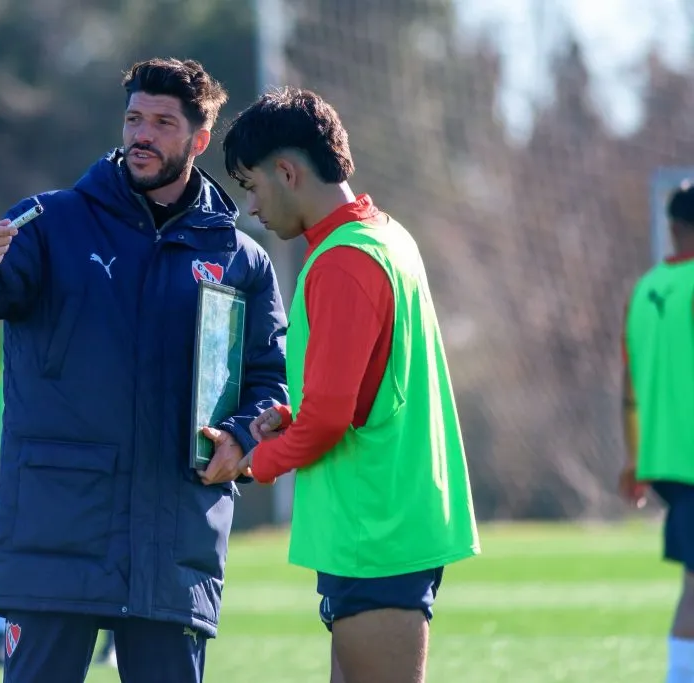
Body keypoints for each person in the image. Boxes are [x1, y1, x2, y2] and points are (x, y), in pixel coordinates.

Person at [0, 57, 288, 683]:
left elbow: (269, 377)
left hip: (175, 536)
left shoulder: (240, 259)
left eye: (163, 123)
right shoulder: (51, 223)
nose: (142, 134)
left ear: (199, 141)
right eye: (134, 119)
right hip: (55, 533)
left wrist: (243, 435)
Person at [221, 87, 480, 683]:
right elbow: (364, 393)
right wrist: (292, 418)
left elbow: (330, 421)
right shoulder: (386, 236)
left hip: (376, 531)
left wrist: (254, 460)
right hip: (385, 521)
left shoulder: (343, 259)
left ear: (286, 171)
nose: (252, 207)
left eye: (253, 186)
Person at [0, 326, 119, 671]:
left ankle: (115, 636)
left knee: (106, 535)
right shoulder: (3, 327)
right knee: (10, 543)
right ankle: (2, 634)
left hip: (71, 453)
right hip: (19, 459)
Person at [620, 182, 694, 683]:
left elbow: (628, 386)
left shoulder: (645, 289)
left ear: (672, 226)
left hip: (664, 461)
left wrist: (633, 459)